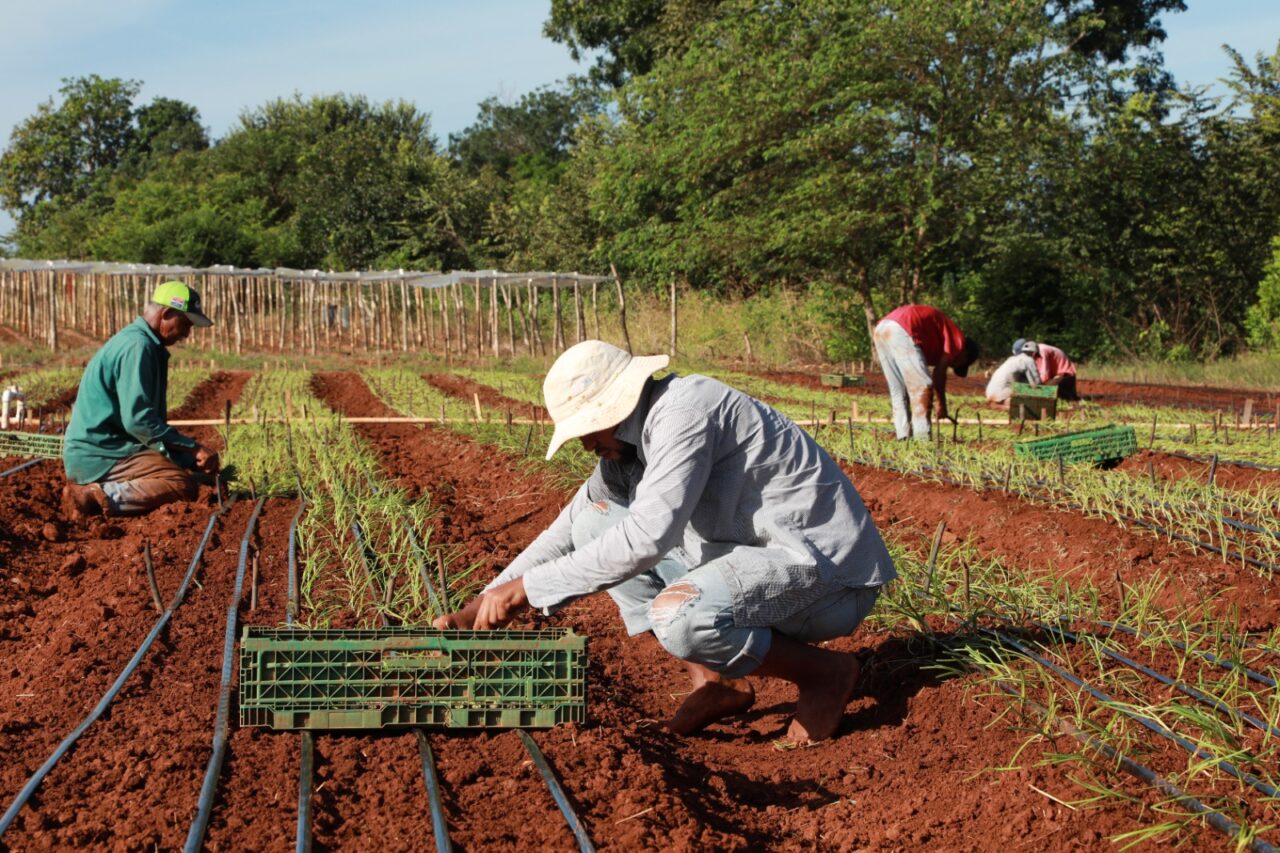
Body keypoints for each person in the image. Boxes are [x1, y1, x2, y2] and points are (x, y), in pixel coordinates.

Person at [434, 340, 896, 743]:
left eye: (584, 430)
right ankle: (716, 683)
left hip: (823, 574)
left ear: (613, 409)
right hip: (754, 559)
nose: (584, 445)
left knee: (679, 614)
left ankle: (823, 674)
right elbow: (568, 529)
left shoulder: (683, 413)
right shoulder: (627, 446)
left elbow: (646, 540)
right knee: (594, 525)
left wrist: (528, 592)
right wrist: (482, 604)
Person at [61, 280, 220, 519]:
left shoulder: (141, 342)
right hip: (101, 453)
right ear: (166, 314)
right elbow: (138, 421)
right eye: (185, 323)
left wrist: (185, 457)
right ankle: (97, 495)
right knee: (180, 484)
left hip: (113, 446)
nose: (187, 333)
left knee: (188, 475)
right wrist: (193, 447)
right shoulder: (138, 347)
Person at [872, 304, 979, 440]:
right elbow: (939, 372)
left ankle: (903, 437)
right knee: (923, 386)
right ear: (965, 354)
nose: (953, 365)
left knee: (898, 389)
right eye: (960, 364)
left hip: (882, 328)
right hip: (903, 328)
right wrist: (941, 404)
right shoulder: (958, 341)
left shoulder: (944, 336)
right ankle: (922, 439)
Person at [1012, 338, 1078, 401]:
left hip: (1066, 376)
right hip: (1055, 376)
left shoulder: (1042, 351)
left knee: (1043, 390)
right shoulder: (1033, 354)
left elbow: (1044, 376)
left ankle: (1068, 396)